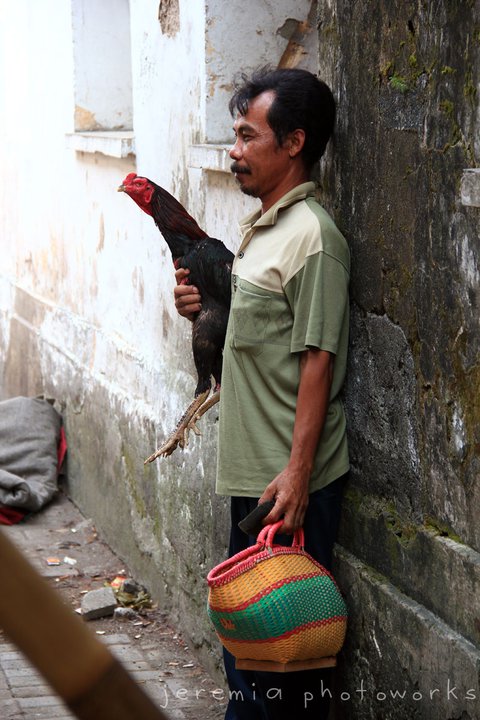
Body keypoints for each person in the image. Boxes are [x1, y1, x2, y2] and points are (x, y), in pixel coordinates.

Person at [174, 68, 350, 719]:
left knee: (277, 669)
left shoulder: (314, 238)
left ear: (295, 141)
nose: (235, 150)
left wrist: (299, 474)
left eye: (249, 137)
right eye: (235, 136)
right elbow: (253, 338)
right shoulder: (265, 229)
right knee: (251, 653)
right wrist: (200, 309)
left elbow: (318, 360)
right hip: (258, 476)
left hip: (286, 483)